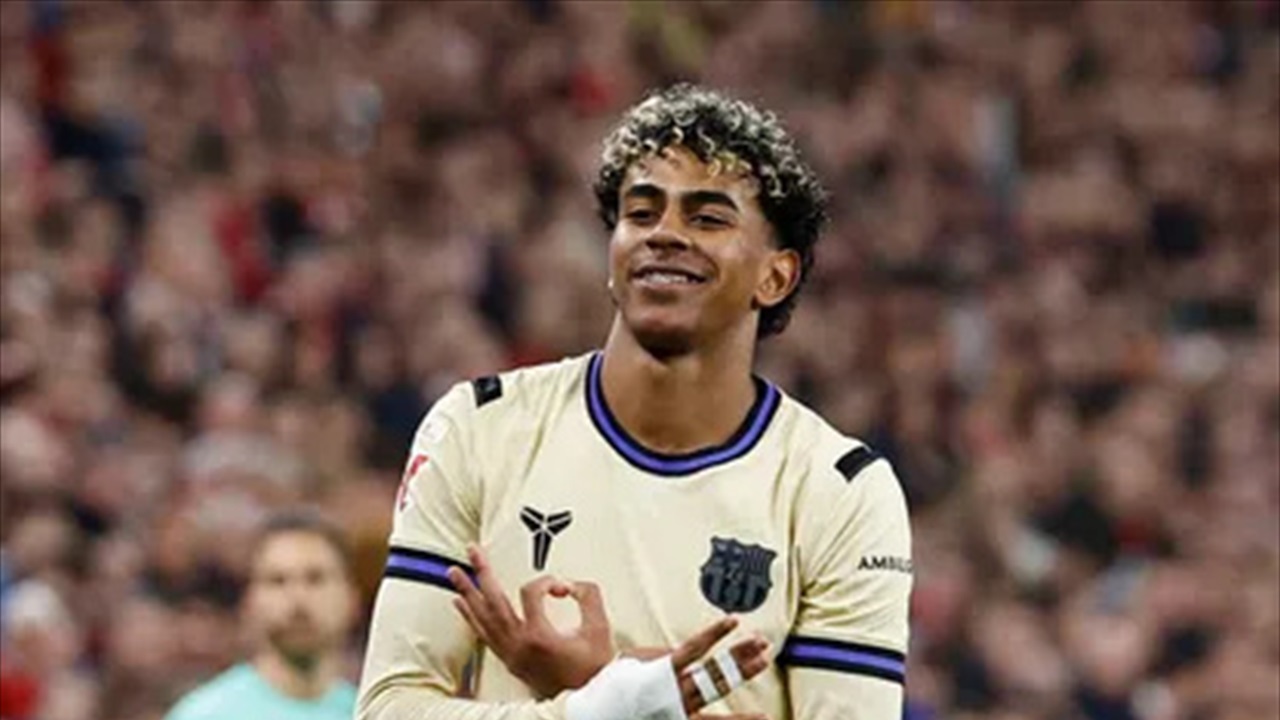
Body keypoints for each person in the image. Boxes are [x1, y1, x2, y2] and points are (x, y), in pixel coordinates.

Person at [357, 84, 913, 720]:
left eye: (708, 219)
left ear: (775, 276)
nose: (665, 234)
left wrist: (603, 693)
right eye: (642, 213)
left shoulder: (839, 492)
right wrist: (591, 710)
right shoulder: (479, 429)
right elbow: (386, 709)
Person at [165, 511, 359, 720]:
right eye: (277, 580)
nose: (298, 598)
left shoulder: (369, 713)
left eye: (315, 578)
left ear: (351, 597)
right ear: (249, 601)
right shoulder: (204, 715)